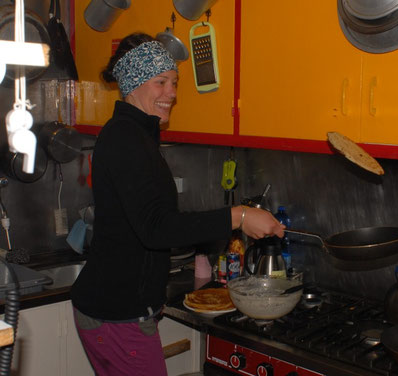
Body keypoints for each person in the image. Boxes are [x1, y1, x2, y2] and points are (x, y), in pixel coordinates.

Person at [70, 33, 284, 376]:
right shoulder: (126, 139)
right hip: (118, 314)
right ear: (134, 83)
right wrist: (238, 216)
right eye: (161, 82)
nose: (171, 92)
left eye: (174, 82)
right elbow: (156, 228)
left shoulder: (136, 136)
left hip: (117, 310)